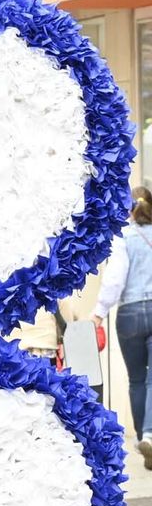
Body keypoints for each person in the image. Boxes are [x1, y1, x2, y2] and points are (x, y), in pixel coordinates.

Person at [93, 184, 152, 468]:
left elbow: (114, 279)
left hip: (129, 313)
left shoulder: (123, 237)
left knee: (137, 380)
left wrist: (98, 313)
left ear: (129, 210)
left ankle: (144, 435)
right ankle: (151, 435)